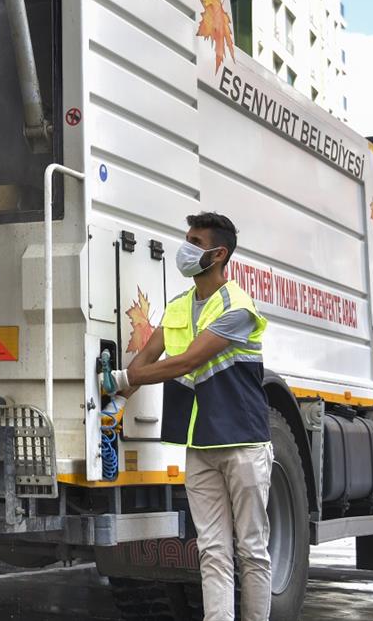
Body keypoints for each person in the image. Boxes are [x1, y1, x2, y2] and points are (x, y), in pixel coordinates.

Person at [111, 212, 272, 621]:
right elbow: (146, 358)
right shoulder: (179, 306)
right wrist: (111, 395)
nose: (185, 248)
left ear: (219, 254)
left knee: (251, 549)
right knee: (212, 551)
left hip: (243, 443)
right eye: (186, 239)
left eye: (194, 242)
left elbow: (185, 362)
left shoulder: (238, 306)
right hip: (200, 444)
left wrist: (123, 378)